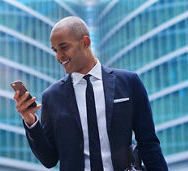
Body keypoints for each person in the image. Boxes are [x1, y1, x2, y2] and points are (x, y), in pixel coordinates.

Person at [13, 16, 168, 171]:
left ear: (85, 42)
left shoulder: (129, 82)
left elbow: (148, 144)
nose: (59, 56)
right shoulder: (52, 96)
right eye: (55, 50)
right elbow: (49, 159)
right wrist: (30, 120)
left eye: (64, 47)